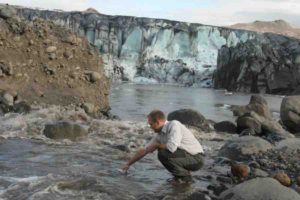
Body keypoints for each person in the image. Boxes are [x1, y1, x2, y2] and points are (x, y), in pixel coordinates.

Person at [121, 110, 204, 183]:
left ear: (157, 122)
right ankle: (181, 178)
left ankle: (185, 178)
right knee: (163, 152)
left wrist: (157, 145)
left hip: (197, 160)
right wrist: (128, 164)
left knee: (163, 153)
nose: (150, 127)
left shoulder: (174, 125)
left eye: (151, 124)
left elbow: (172, 148)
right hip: (186, 157)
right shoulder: (159, 134)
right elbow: (145, 150)